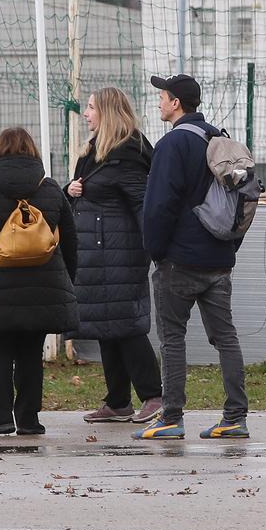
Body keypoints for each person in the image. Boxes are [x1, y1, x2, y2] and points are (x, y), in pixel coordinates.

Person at [133, 74, 250, 441]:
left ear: (175, 103)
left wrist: (156, 252)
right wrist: (228, 248)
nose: (159, 102)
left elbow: (158, 206)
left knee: (173, 339)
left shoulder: (172, 145)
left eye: (162, 97)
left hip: (179, 262)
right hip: (219, 258)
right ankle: (235, 417)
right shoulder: (218, 139)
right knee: (226, 338)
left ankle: (171, 416)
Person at [0, 127, 78, 437]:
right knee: (30, 354)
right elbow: (70, 240)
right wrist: (67, 281)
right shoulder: (50, 189)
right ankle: (28, 419)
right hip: (43, 287)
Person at [66, 87, 163, 425]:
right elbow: (85, 197)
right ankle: (118, 401)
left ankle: (154, 395)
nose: (86, 113)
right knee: (106, 326)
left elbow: (142, 205)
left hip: (121, 254)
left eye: (91, 107)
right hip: (96, 255)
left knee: (126, 325)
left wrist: (155, 249)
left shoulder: (128, 154)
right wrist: (70, 190)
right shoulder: (94, 152)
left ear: (107, 112)